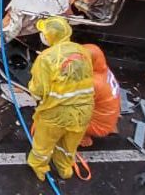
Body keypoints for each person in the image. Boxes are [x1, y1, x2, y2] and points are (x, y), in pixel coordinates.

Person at [27, 16, 95, 182]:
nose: (42, 35)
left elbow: (38, 91)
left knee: (42, 146)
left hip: (56, 114)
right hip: (84, 111)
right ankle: (65, 169)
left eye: (43, 32)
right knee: (69, 146)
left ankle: (39, 168)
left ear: (50, 36)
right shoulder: (83, 51)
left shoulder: (46, 58)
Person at [79, 43, 121, 147]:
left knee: (61, 114)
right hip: (108, 116)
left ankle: (81, 136)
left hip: (99, 126)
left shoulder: (92, 83)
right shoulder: (102, 69)